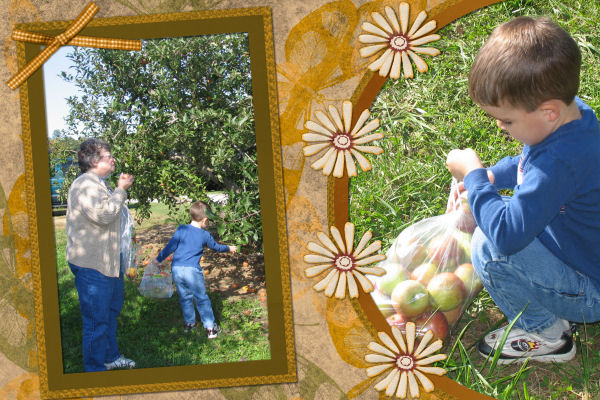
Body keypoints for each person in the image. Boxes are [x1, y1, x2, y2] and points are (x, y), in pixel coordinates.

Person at [446, 16, 600, 364]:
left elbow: (507, 235)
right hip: (582, 257)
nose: (501, 126)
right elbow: (526, 164)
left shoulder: (559, 164)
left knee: (489, 247)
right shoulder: (575, 118)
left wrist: (472, 176)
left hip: (589, 289)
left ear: (548, 112)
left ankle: (547, 333)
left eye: (507, 120)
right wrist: (490, 175)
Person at [66, 138, 136, 371]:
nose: (113, 158)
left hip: (108, 261)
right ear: (95, 161)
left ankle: (110, 357)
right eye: (109, 156)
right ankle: (95, 371)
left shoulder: (99, 183)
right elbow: (105, 214)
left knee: (109, 313)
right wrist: (121, 189)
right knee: (96, 322)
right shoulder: (85, 184)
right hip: (92, 265)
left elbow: (113, 219)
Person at [150, 200, 237, 338]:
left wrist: (158, 259)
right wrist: (229, 248)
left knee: (185, 297)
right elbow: (216, 247)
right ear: (205, 219)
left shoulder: (181, 229)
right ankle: (210, 328)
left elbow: (170, 246)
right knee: (201, 298)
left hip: (177, 269)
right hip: (192, 271)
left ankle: (190, 323)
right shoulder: (205, 235)